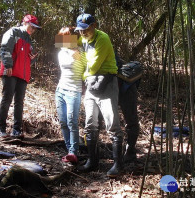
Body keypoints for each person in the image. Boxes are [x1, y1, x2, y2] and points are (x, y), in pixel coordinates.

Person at [76, 13, 124, 178]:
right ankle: (92, 161)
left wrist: (82, 77)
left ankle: (118, 164)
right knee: (90, 123)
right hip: (91, 84)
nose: (83, 33)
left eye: (86, 30)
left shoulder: (102, 38)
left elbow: (94, 65)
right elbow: (79, 57)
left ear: (94, 26)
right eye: (80, 30)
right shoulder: (83, 39)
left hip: (106, 82)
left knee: (112, 124)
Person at [0, 14, 41, 138]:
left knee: (19, 102)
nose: (33, 30)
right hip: (11, 71)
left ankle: (17, 130)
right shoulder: (13, 32)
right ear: (25, 23)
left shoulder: (29, 40)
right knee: (7, 99)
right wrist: (8, 65)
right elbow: (5, 48)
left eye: (35, 28)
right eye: (32, 27)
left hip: (23, 74)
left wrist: (33, 59)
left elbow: (30, 59)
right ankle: (1, 128)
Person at [54, 27, 86, 164]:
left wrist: (80, 56)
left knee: (72, 121)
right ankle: (69, 151)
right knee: (63, 122)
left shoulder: (82, 51)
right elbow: (65, 65)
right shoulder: (62, 52)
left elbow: (87, 67)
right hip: (61, 90)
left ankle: (73, 151)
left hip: (74, 90)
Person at [116, 58, 141, 163]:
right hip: (112, 88)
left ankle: (130, 151)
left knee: (131, 120)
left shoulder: (103, 46)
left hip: (126, 88)